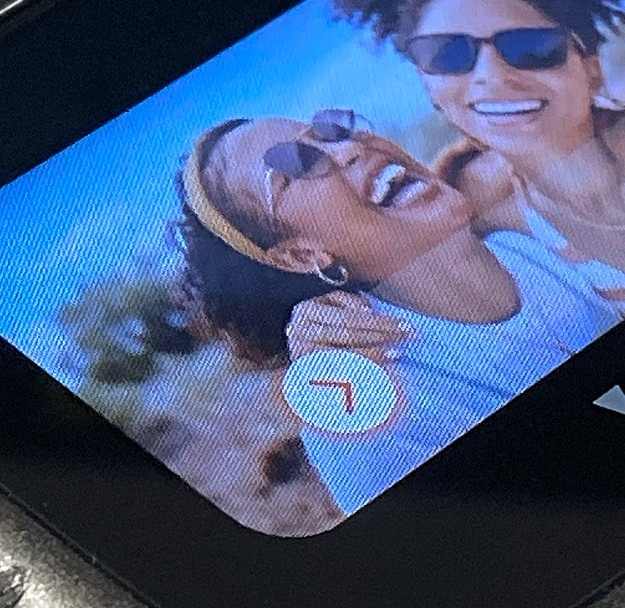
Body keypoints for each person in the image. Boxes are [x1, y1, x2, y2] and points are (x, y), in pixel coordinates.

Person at [178, 111, 619, 514]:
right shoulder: (362, 415)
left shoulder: (548, 225)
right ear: (300, 255)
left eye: (331, 129)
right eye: (296, 164)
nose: (349, 147)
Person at [294, 0, 625, 356]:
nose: (492, 76)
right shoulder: (473, 205)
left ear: (591, 67)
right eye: (448, 55)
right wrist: (315, 323)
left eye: (529, 46)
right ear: (430, 89)